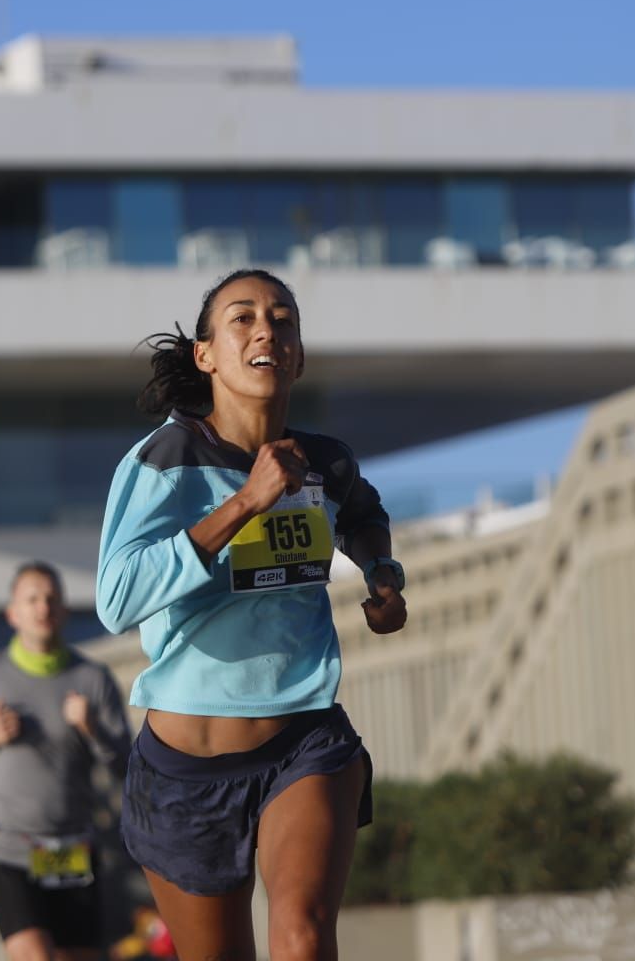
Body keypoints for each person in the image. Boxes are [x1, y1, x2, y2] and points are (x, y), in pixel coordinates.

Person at [97, 269, 406, 961]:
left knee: (300, 937)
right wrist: (245, 503)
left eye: (283, 318)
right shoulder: (163, 462)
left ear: (296, 352)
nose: (267, 328)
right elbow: (116, 598)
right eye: (243, 317)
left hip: (304, 742)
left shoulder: (325, 460)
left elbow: (363, 514)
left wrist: (383, 574)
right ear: (205, 354)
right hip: (185, 772)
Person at [0, 562, 132, 961]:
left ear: (64, 610)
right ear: (13, 613)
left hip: (74, 848)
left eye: (51, 599)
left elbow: (125, 766)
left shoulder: (91, 679)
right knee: (34, 955)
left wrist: (91, 729)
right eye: (32, 599)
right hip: (9, 849)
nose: (43, 607)